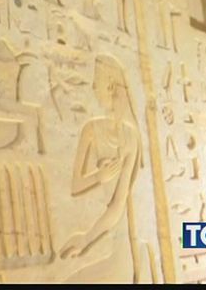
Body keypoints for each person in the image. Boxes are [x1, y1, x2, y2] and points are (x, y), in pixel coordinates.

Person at [59, 54, 144, 282]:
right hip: (97, 231)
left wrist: (87, 239)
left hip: (115, 239)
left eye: (96, 82)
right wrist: (98, 176)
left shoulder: (130, 137)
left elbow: (118, 205)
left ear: (110, 87)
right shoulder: (90, 129)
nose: (93, 87)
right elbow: (76, 185)